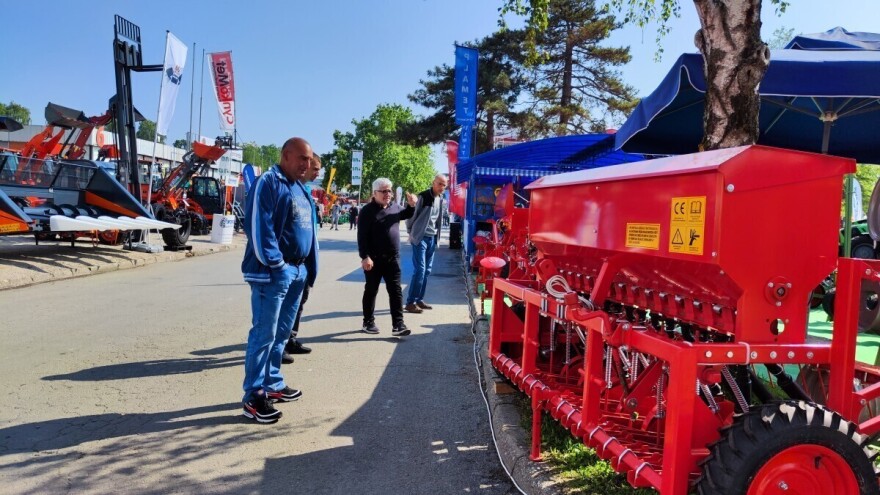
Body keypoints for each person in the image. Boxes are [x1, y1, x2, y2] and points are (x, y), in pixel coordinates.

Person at [240, 137, 317, 424]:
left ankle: (272, 383)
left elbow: (309, 231)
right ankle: (253, 396)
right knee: (264, 334)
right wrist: (278, 265)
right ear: (286, 156)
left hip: (296, 273)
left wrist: (308, 268)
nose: (306, 165)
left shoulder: (299, 188)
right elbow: (259, 227)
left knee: (282, 334)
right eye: (302, 159)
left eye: (309, 160)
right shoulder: (268, 182)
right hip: (272, 273)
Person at [357, 178, 417, 337]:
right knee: (371, 290)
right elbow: (361, 237)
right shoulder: (367, 211)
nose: (388, 194)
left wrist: (411, 205)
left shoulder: (395, 207)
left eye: (389, 190)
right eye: (383, 191)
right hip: (374, 259)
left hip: (393, 259)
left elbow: (406, 214)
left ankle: (398, 324)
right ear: (374, 193)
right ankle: (368, 322)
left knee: (395, 291)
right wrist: (365, 257)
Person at [282, 153, 323, 364]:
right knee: (285, 305)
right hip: (288, 262)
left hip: (305, 259)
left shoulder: (305, 191)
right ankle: (278, 346)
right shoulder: (286, 188)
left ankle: (291, 339)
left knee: (299, 301)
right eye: (315, 168)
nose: (317, 172)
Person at [404, 174, 448, 314]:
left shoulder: (440, 199)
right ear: (433, 183)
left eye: (444, 185)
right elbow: (411, 214)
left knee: (427, 270)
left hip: (432, 237)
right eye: (439, 184)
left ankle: (419, 299)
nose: (442, 187)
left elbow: (438, 219)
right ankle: (410, 302)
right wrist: (411, 232)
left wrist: (437, 237)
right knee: (420, 270)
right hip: (420, 237)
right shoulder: (423, 196)